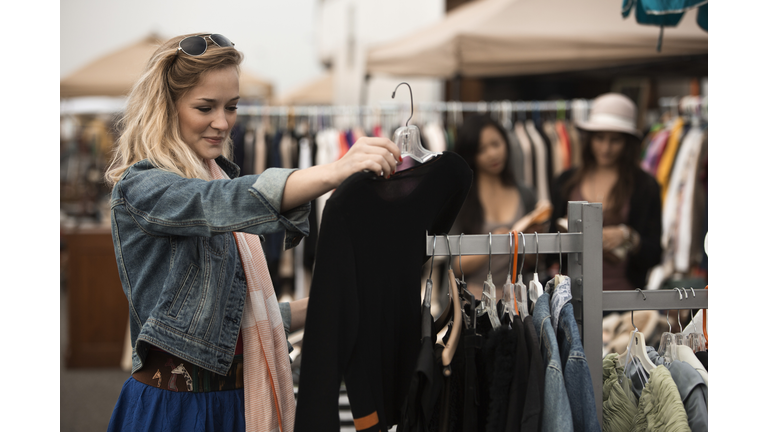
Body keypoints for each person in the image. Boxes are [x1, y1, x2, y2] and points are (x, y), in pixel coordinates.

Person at [103, 33, 402, 432]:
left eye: (232, 106)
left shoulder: (220, 175)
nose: (223, 122)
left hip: (236, 407)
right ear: (166, 107)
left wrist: (334, 300)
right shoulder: (143, 187)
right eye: (205, 107)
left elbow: (239, 322)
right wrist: (333, 170)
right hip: (177, 411)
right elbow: (214, 202)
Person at [549, 92, 662, 291]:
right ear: (589, 139)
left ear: (628, 142)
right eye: (599, 138)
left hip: (625, 297)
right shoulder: (565, 181)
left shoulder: (645, 186)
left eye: (615, 140)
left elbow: (654, 254)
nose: (606, 148)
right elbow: (549, 252)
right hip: (571, 297)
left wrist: (629, 237)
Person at [451, 114, 541, 301]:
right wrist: (494, 244)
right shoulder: (461, 199)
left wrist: (530, 240)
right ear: (471, 154)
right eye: (482, 149)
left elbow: (531, 263)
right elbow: (454, 265)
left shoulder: (526, 194)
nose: (492, 153)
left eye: (496, 144)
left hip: (517, 304)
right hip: (471, 303)